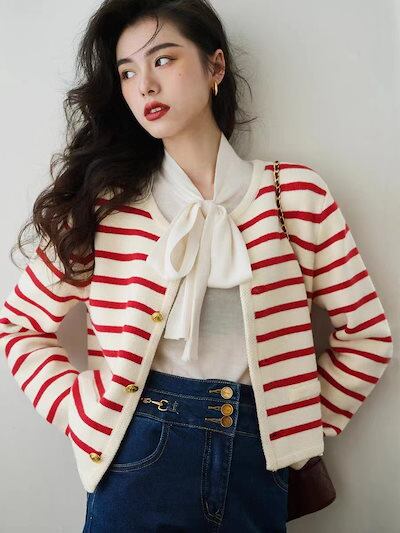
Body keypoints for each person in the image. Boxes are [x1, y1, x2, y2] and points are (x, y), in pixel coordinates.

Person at [0, 1, 393, 532]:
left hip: (258, 464)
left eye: (163, 59)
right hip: (135, 458)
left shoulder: (294, 197)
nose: (145, 85)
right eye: (127, 73)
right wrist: (81, 411)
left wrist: (297, 423)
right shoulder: (105, 207)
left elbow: (368, 336)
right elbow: (19, 326)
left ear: (215, 66)